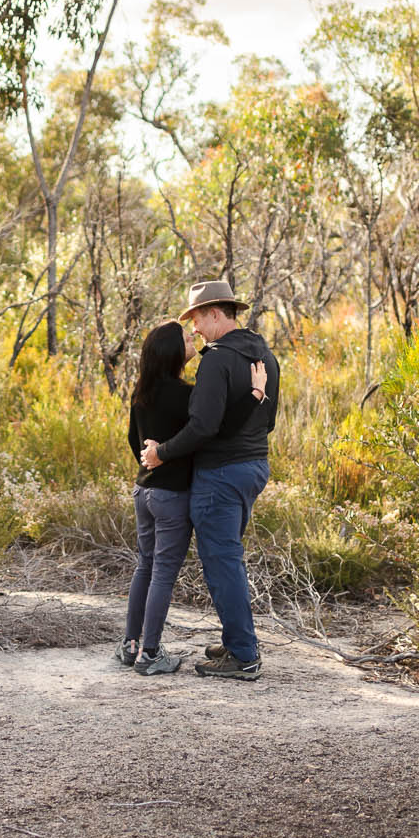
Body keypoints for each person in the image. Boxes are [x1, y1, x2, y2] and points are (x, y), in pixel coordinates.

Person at [139, 278, 280, 682]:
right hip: (254, 468)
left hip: (219, 475)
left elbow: (201, 427)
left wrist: (160, 453)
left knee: (222, 563)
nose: (195, 329)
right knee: (228, 558)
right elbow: (267, 422)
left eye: (197, 319)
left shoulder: (217, 360)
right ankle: (237, 640)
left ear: (216, 313)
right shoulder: (265, 356)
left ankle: (243, 655)